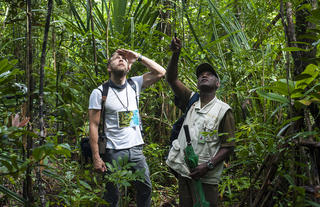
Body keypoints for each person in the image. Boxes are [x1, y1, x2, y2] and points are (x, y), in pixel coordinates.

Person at [88, 49, 166, 207]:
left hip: (136, 149)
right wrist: (96, 157)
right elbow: (94, 125)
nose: (121, 60)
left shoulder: (134, 84)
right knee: (112, 196)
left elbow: (161, 72)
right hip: (113, 151)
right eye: (117, 58)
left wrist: (138, 57)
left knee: (145, 189)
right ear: (109, 67)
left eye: (124, 59)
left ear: (129, 67)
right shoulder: (100, 92)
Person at [166, 37, 235, 207]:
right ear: (197, 83)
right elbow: (171, 79)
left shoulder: (223, 110)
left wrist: (208, 165)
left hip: (206, 177)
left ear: (217, 84)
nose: (204, 75)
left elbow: (229, 146)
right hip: (184, 172)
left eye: (209, 74)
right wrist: (176, 54)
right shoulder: (190, 100)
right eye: (201, 75)